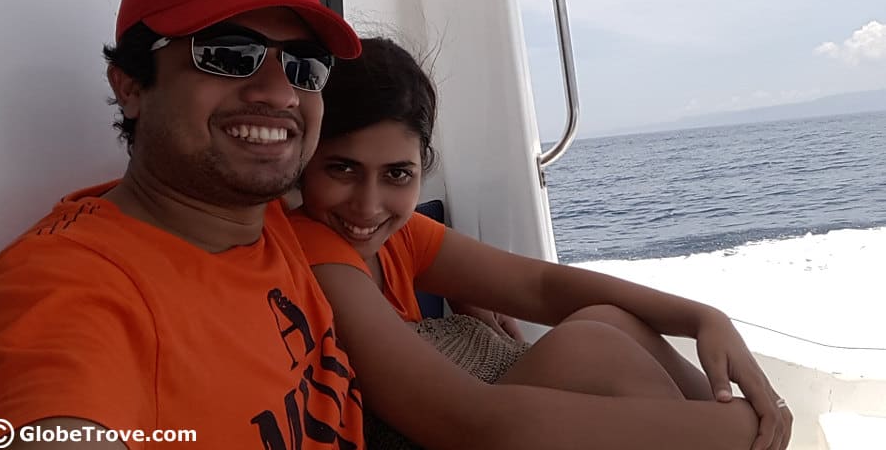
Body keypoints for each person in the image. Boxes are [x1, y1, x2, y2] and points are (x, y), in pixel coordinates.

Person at [288, 37, 794, 450]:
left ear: (422, 168)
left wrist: (702, 317)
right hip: (456, 430)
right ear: (305, 159)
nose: (368, 204)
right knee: (592, 348)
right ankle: (751, 431)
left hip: (480, 413)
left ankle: (750, 423)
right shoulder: (317, 250)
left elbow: (540, 285)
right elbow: (475, 426)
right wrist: (731, 431)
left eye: (397, 174)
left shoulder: (393, 237)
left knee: (609, 319)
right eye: (343, 168)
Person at [0, 0, 366, 449]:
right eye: (228, 53)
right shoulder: (69, 290)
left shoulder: (266, 214)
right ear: (132, 86)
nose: (281, 94)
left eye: (304, 66)